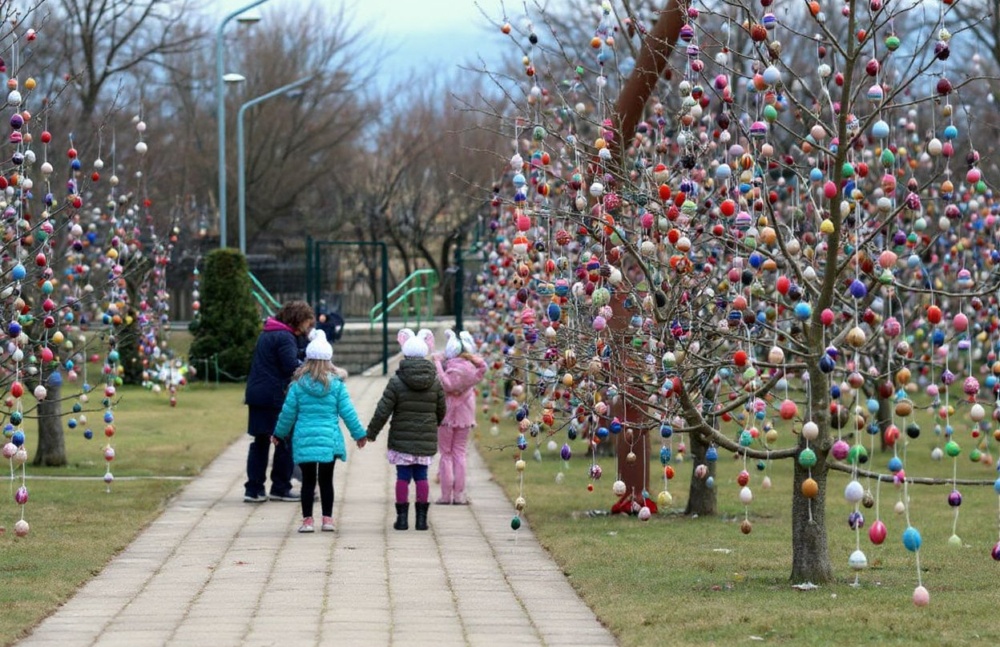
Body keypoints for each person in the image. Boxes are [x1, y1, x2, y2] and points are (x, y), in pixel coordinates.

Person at [273, 329, 367, 533]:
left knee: (308, 481)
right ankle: (327, 520)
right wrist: (359, 434)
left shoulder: (297, 386)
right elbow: (348, 413)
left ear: (307, 359)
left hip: (304, 438)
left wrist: (278, 434)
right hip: (328, 440)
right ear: (328, 360)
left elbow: (287, 414)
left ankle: (307, 521)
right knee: (326, 481)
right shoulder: (337, 386)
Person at [366, 328, 445, 531]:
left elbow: (383, 410)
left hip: (401, 439)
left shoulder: (396, 381)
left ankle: (401, 519)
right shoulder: (434, 382)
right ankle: (421, 520)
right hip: (425, 438)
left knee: (402, 477)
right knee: (422, 477)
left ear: (405, 353)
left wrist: (372, 432)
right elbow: (441, 409)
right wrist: (433, 423)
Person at [243, 300, 315, 503]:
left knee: (260, 441)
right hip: (274, 396)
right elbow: (290, 367)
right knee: (284, 441)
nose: (307, 328)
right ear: (298, 319)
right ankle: (280, 487)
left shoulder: (269, 332)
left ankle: (254, 489)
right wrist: (310, 364)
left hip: (257, 394)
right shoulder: (285, 337)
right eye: (306, 323)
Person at [432, 330, 486, 505]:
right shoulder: (471, 372)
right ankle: (459, 495)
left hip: (446, 416)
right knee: (460, 453)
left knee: (446, 454)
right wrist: (478, 360)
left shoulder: (449, 370)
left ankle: (446, 495)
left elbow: (445, 384)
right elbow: (483, 369)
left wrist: (438, 363)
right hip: (465, 416)